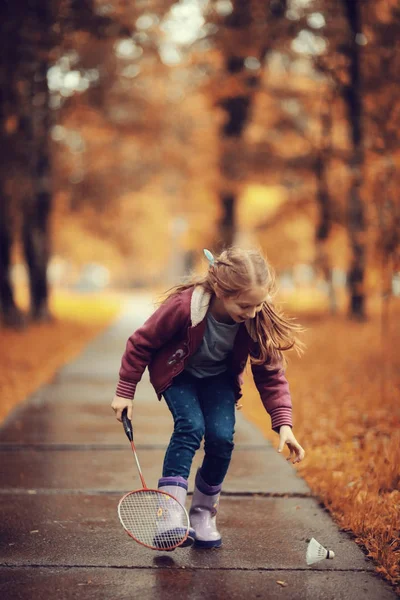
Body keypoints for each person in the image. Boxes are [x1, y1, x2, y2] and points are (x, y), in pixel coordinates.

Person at [111, 246, 305, 550]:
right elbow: (140, 343)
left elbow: (270, 371)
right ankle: (170, 516)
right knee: (190, 426)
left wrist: (283, 424)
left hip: (218, 380)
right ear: (220, 290)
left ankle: (202, 514)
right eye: (244, 306)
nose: (252, 313)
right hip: (179, 375)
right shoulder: (184, 307)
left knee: (222, 439)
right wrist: (125, 391)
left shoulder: (255, 317)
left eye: (258, 305)